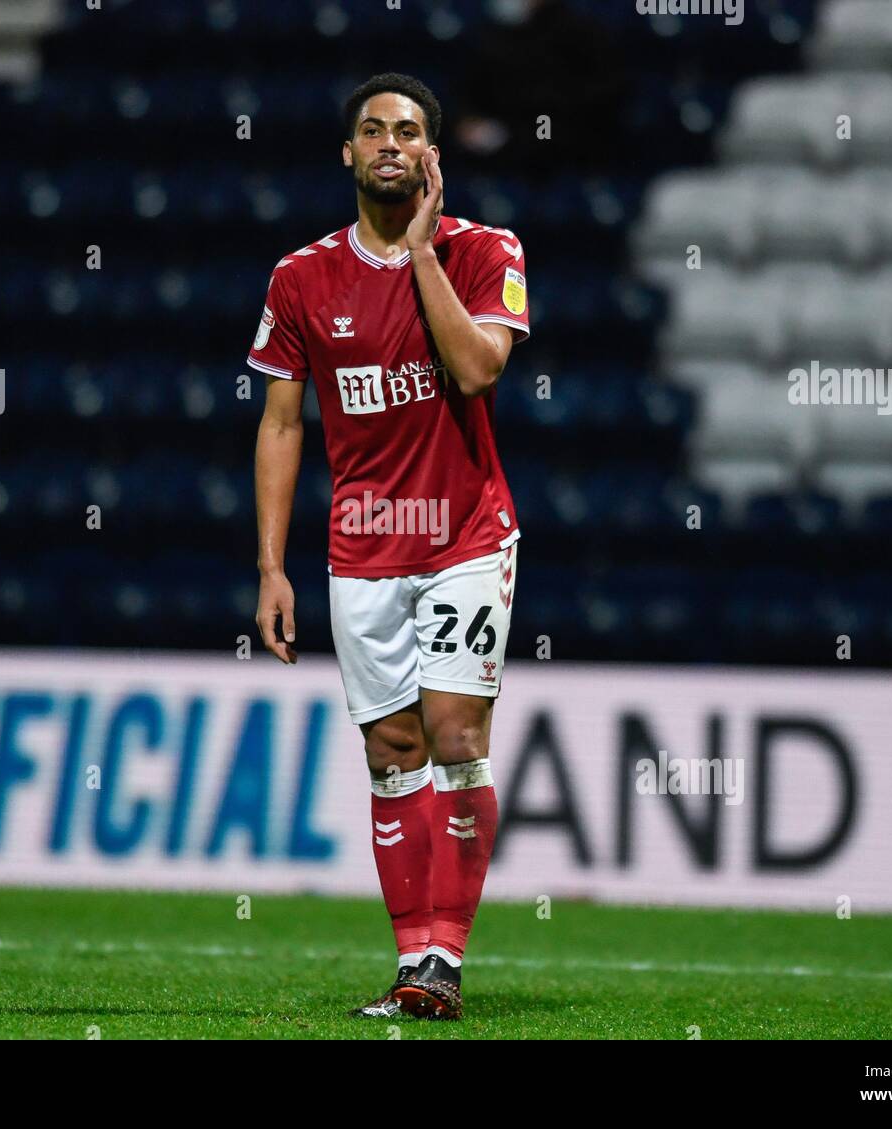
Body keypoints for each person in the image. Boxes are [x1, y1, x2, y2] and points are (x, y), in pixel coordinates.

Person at [249, 73, 530, 1020]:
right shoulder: (299, 278)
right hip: (360, 547)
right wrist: (272, 566)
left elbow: (478, 366)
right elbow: (283, 425)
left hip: (463, 534)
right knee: (391, 753)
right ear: (347, 152)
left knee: (456, 735)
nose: (388, 144)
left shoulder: (485, 250)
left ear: (432, 156)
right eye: (372, 130)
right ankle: (413, 962)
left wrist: (419, 258)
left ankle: (445, 956)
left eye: (408, 132)